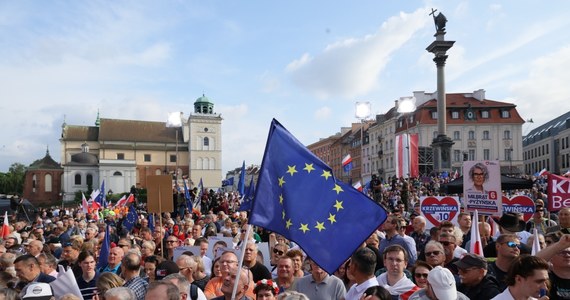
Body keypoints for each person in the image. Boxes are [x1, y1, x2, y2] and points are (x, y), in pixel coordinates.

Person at [536, 234, 570, 300]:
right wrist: (559, 245)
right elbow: (532, 262)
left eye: (569, 253)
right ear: (551, 257)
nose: (567, 255)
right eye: (563, 252)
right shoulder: (544, 279)